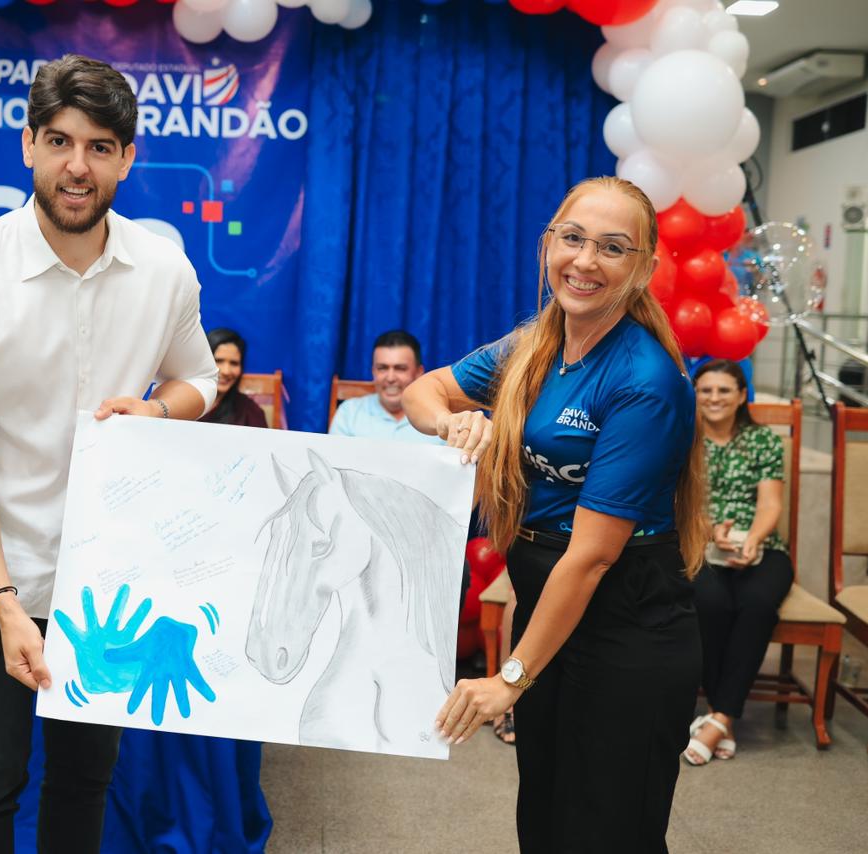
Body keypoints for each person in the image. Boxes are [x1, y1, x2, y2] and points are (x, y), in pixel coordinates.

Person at [0, 54, 218, 854]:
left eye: (100, 147)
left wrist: (157, 408)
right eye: (60, 141)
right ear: (28, 145)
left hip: (105, 579)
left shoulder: (165, 269)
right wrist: (8, 603)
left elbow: (201, 377)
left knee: (85, 782)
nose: (78, 166)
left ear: (127, 158)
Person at [404, 176, 707, 854]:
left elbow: (592, 556)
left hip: (627, 622)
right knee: (545, 821)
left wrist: (510, 676)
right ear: (548, 245)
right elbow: (426, 390)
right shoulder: (534, 346)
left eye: (613, 247)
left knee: (607, 832)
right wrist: (453, 423)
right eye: (573, 239)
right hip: (549, 610)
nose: (585, 261)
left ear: (644, 268)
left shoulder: (645, 380)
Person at [684, 358, 793, 766]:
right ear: (695, 395)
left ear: (742, 395)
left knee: (758, 604)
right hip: (701, 545)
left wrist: (754, 540)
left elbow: (770, 503)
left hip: (761, 546)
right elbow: (682, 503)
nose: (714, 398)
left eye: (724, 390)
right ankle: (723, 720)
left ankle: (717, 718)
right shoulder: (682, 439)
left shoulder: (762, 441)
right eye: (705, 390)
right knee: (710, 603)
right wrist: (711, 531)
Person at [330, 330, 443, 444]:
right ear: (373, 372)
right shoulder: (349, 413)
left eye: (400, 368)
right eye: (382, 368)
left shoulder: (440, 418)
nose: (390, 378)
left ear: (418, 373)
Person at [199, 328, 268, 428]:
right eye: (218, 361)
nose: (226, 371)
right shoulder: (182, 401)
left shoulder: (250, 411)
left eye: (234, 363)